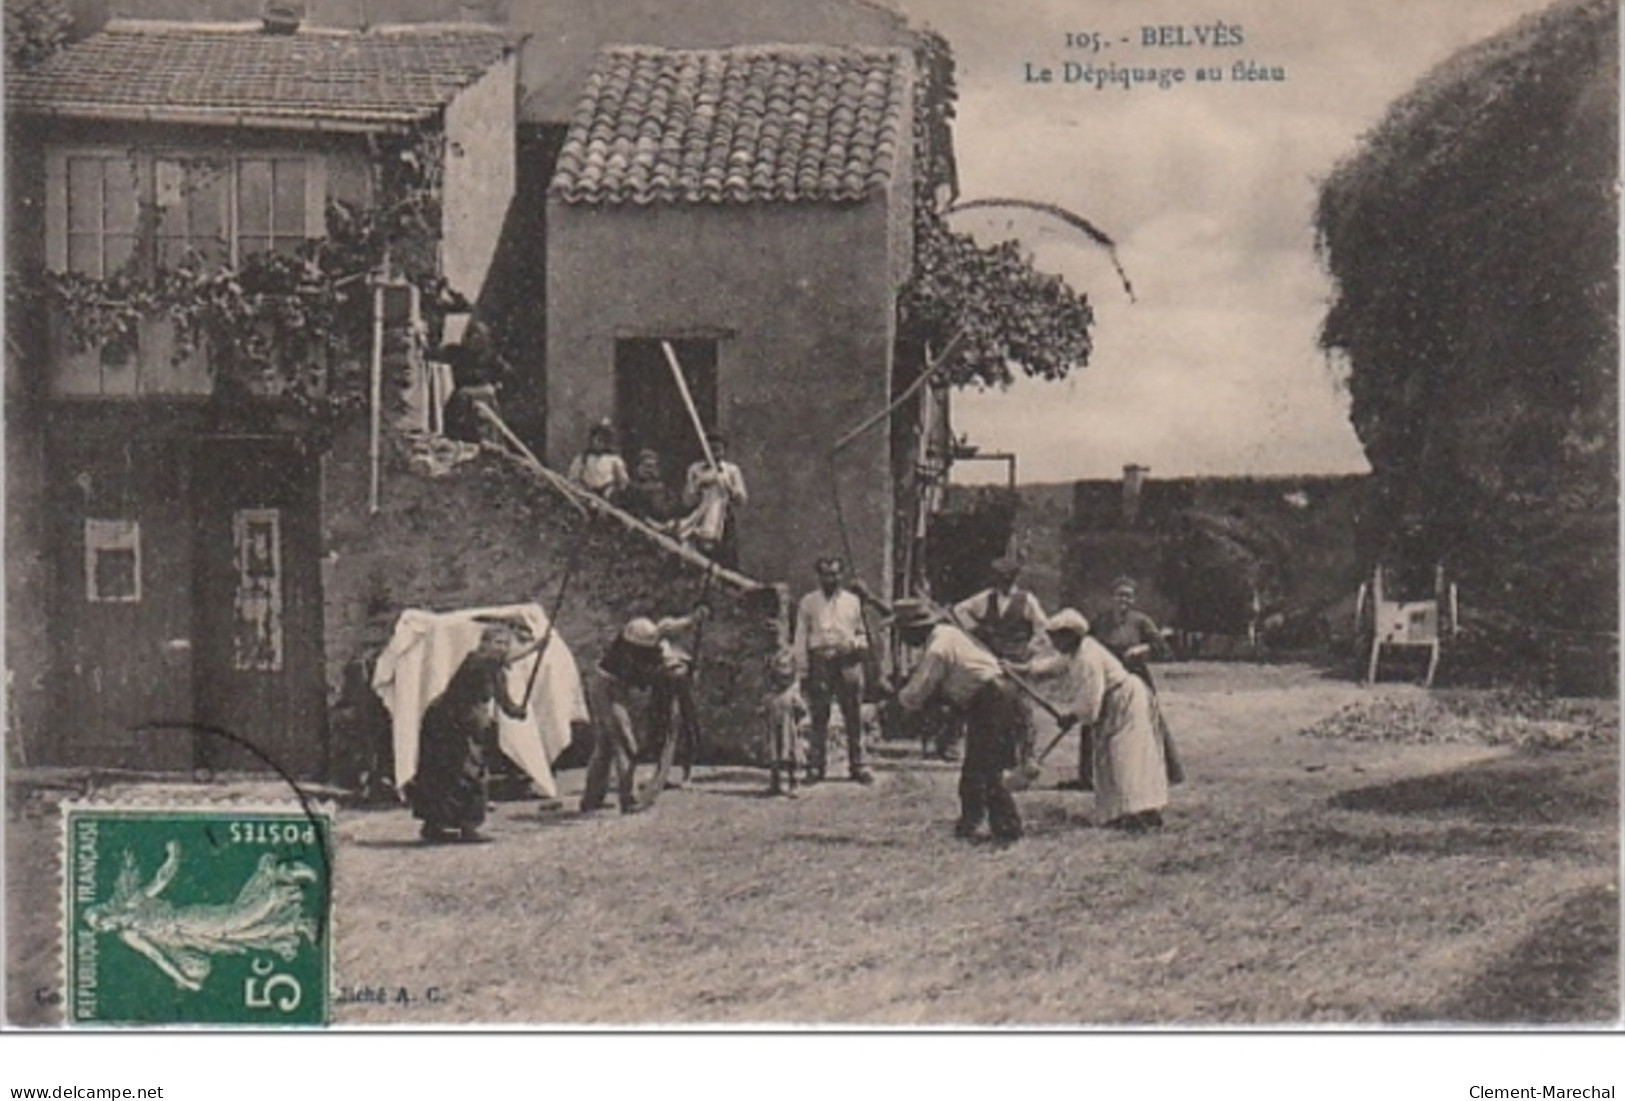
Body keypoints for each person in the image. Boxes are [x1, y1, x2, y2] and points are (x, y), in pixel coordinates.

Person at [888, 599, 1029, 846]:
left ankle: (1007, 829)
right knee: (977, 766)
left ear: (914, 629)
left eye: (902, 632)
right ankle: (972, 824)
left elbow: (919, 690)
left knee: (986, 767)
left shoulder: (937, 648)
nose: (902, 638)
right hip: (991, 698)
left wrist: (892, 705)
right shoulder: (947, 634)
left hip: (993, 700)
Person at [1022, 609, 1169, 833]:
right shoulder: (1077, 650)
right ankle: (1125, 812)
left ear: (1070, 635)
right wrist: (1022, 669)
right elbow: (1054, 666)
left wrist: (1071, 716)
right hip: (1116, 702)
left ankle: (1139, 814)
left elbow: (1090, 703)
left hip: (1125, 701)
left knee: (1126, 758)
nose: (1053, 642)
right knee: (1112, 760)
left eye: (1056, 636)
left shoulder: (1087, 658)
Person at [406, 615, 542, 843]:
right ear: (484, 643)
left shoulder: (496, 671)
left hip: (463, 724)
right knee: (455, 772)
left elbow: (504, 702)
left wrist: (516, 711)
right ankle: (449, 826)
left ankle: (457, 824)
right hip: (446, 723)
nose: (502, 648)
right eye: (498, 642)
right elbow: (498, 661)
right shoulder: (477, 660)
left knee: (465, 771)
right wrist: (534, 648)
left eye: (506, 644)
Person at [581, 607, 708, 814]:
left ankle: (591, 799)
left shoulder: (641, 639)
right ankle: (627, 799)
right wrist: (679, 669)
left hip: (606, 689)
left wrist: (693, 619)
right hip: (608, 693)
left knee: (605, 746)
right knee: (627, 745)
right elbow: (654, 673)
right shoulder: (630, 656)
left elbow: (668, 627)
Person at [941, 557, 1047, 761]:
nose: (1004, 583)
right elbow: (959, 610)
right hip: (990, 657)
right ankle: (960, 745)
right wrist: (976, 631)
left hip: (1016, 660)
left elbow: (1043, 628)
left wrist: (1030, 650)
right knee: (977, 699)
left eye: (1008, 579)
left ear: (1015, 578)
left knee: (1021, 707)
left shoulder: (1027, 600)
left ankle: (1026, 753)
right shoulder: (986, 598)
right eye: (1001, 578)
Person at [793, 557, 874, 785]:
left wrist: (856, 645)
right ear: (819, 576)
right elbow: (801, 636)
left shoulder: (852, 602)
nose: (832, 578)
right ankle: (816, 768)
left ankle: (858, 765)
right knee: (819, 715)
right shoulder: (809, 602)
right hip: (821, 662)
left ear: (842, 576)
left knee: (854, 715)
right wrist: (803, 668)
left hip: (848, 662)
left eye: (836, 574)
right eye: (826, 574)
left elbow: (862, 633)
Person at [428, 319, 513, 446]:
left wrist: (495, 388)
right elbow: (433, 354)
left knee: (487, 437)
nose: (474, 339)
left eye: (478, 336)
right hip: (461, 400)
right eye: (471, 335)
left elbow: (508, 376)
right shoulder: (457, 353)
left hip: (484, 400)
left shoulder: (490, 357)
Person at [681, 433, 747, 569]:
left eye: (718, 449)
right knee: (700, 559)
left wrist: (728, 486)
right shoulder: (695, 470)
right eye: (711, 449)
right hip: (700, 519)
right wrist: (698, 484)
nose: (714, 454)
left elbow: (741, 500)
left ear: (724, 450)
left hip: (724, 519)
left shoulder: (731, 470)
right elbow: (687, 501)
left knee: (725, 558)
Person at [1093, 577, 1167, 689]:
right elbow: (1087, 644)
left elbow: (1161, 645)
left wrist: (1142, 649)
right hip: (1106, 675)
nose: (1124, 599)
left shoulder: (1141, 621)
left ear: (1134, 599)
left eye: (1128, 596)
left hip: (1134, 673)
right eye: (1120, 595)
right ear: (1112, 597)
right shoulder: (1100, 621)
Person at [762, 647, 808, 797]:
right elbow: (763, 711)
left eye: (786, 676)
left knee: (791, 756)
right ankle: (775, 784)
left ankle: (793, 783)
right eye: (779, 676)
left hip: (790, 731)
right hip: (774, 732)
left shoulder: (792, 694)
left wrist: (797, 718)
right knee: (774, 758)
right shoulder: (770, 696)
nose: (782, 680)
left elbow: (803, 710)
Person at [567, 421, 630, 503]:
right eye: (597, 439)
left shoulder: (614, 459)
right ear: (592, 440)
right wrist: (580, 489)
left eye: (604, 440)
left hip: (608, 494)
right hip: (587, 494)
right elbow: (573, 479)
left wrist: (615, 491)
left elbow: (623, 481)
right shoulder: (583, 459)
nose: (600, 443)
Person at [622, 448, 683, 529]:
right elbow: (635, 511)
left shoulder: (663, 487)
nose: (650, 470)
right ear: (638, 467)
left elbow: (676, 505)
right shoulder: (632, 488)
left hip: (669, 523)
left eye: (653, 466)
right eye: (647, 466)